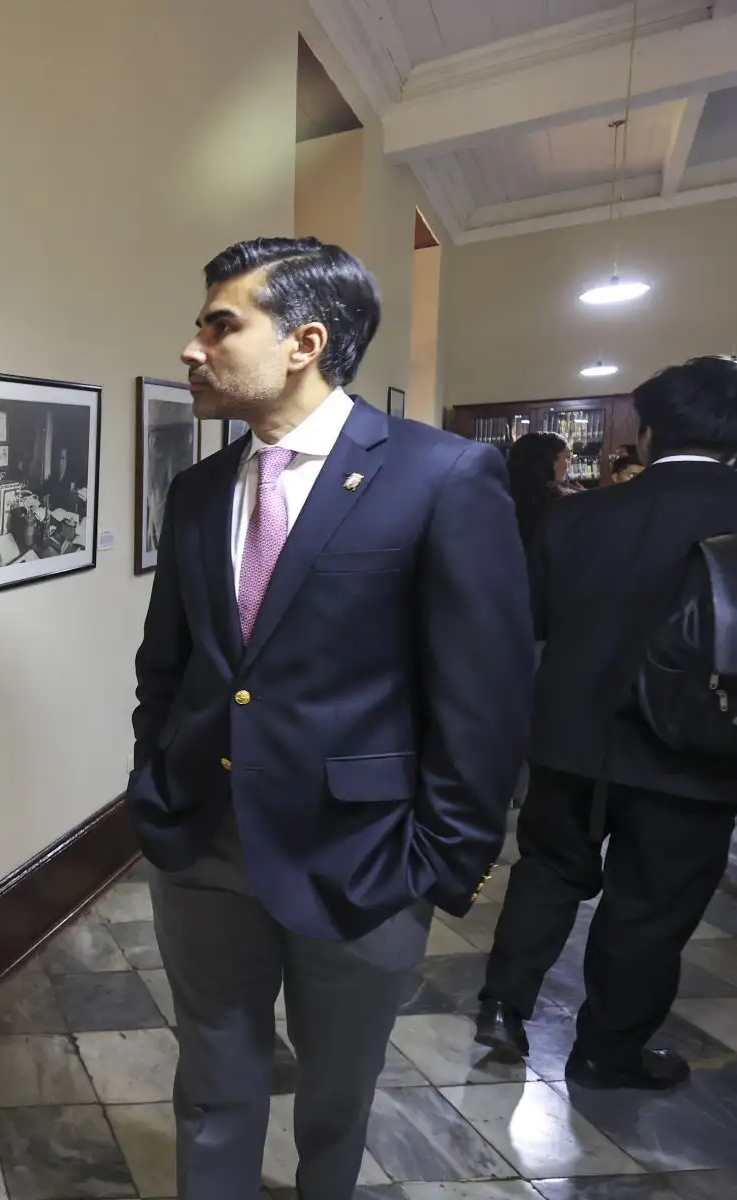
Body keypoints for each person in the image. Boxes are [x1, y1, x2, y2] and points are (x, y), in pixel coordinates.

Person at [127, 237, 532, 1199]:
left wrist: (439, 864)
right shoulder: (194, 493)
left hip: (363, 854)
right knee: (212, 1086)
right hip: (205, 846)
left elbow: (484, 698)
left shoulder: (443, 477)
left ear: (305, 341)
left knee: (336, 1099)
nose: (193, 347)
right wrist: (156, 782)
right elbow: (168, 666)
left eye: (220, 324)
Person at [476, 356, 737, 1089]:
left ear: (648, 430)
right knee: (650, 906)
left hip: (572, 734)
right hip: (697, 750)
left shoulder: (580, 513)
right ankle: (606, 1052)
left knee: (549, 873)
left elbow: (531, 618)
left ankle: (503, 1005)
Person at [507, 431, 572, 551]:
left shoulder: (500, 497)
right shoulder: (563, 505)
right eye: (567, 456)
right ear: (549, 461)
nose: (570, 463)